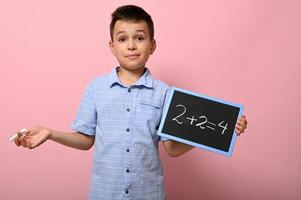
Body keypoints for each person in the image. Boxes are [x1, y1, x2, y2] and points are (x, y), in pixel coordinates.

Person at [14, 5, 248, 200]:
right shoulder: (96, 88)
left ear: (152, 45)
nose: (132, 45)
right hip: (104, 194)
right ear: (112, 46)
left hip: (149, 194)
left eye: (139, 37)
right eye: (123, 39)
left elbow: (172, 149)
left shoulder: (165, 94)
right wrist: (50, 133)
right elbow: (86, 140)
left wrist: (222, 132)